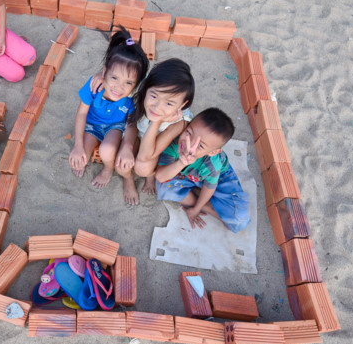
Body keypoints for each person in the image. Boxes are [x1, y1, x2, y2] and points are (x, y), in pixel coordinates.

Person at [68, 28, 149, 205]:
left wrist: (127, 146)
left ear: (136, 84)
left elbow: (131, 124)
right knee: (82, 157)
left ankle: (108, 169)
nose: (119, 87)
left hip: (115, 127)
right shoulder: (94, 85)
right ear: (104, 72)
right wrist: (78, 145)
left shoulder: (133, 97)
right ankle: (87, 152)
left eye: (128, 82)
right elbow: (81, 113)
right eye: (114, 78)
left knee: (107, 151)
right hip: (91, 125)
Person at [155, 108, 250, 232]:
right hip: (188, 175)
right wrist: (181, 162)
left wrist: (196, 209)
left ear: (213, 152)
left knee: (240, 219)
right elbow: (160, 177)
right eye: (189, 133)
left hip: (219, 179)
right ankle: (207, 206)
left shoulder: (213, 163)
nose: (189, 144)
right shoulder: (175, 144)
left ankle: (198, 195)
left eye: (200, 145)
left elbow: (209, 187)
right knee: (164, 188)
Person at [128, 58, 195, 195]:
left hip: (155, 147)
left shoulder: (180, 121)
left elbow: (145, 156)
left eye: (169, 103)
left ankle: (151, 176)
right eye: (154, 96)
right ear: (146, 88)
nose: (157, 107)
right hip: (138, 135)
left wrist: (157, 121)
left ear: (182, 105)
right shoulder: (144, 87)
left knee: (142, 168)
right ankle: (127, 179)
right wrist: (100, 77)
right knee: (122, 162)